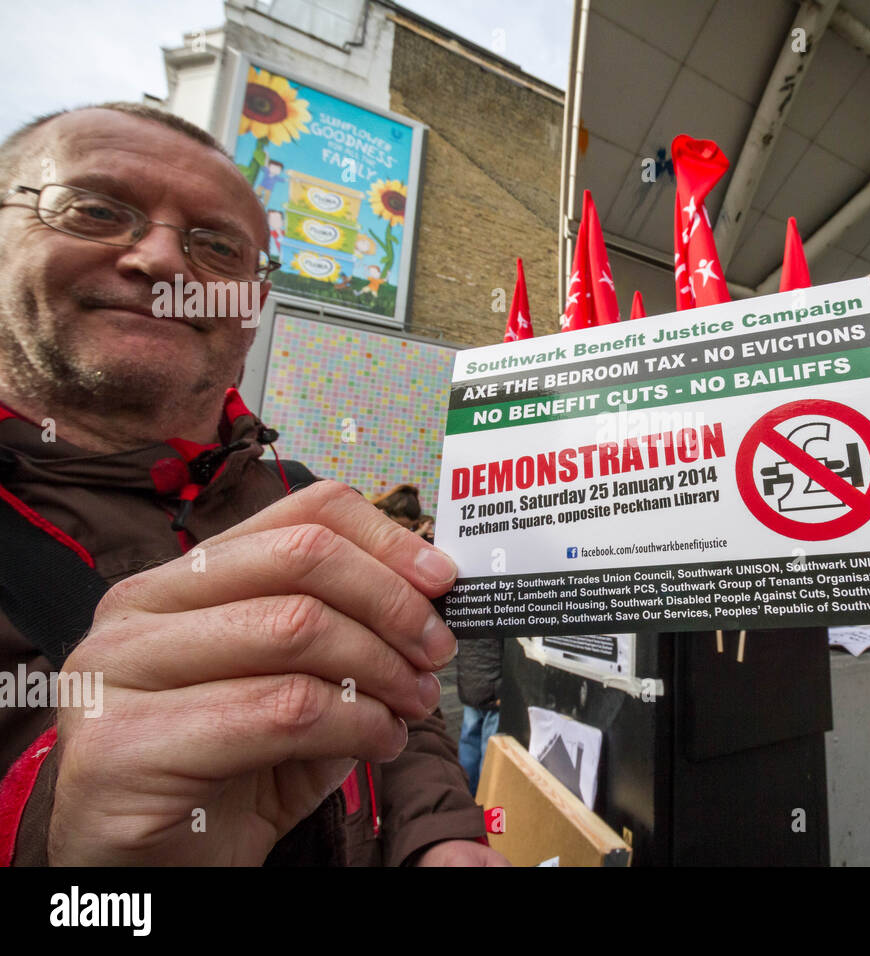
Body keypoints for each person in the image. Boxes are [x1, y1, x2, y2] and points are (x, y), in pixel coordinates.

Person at [0, 103, 505, 865]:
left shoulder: (296, 495)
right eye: (97, 211)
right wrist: (67, 846)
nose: (164, 263)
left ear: (253, 305)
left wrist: (438, 834)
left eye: (218, 246)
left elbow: (397, 700)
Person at [456, 637, 503, 795]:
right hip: (493, 691)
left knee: (468, 743)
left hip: (469, 686)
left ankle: (465, 792)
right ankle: (484, 798)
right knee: (489, 750)